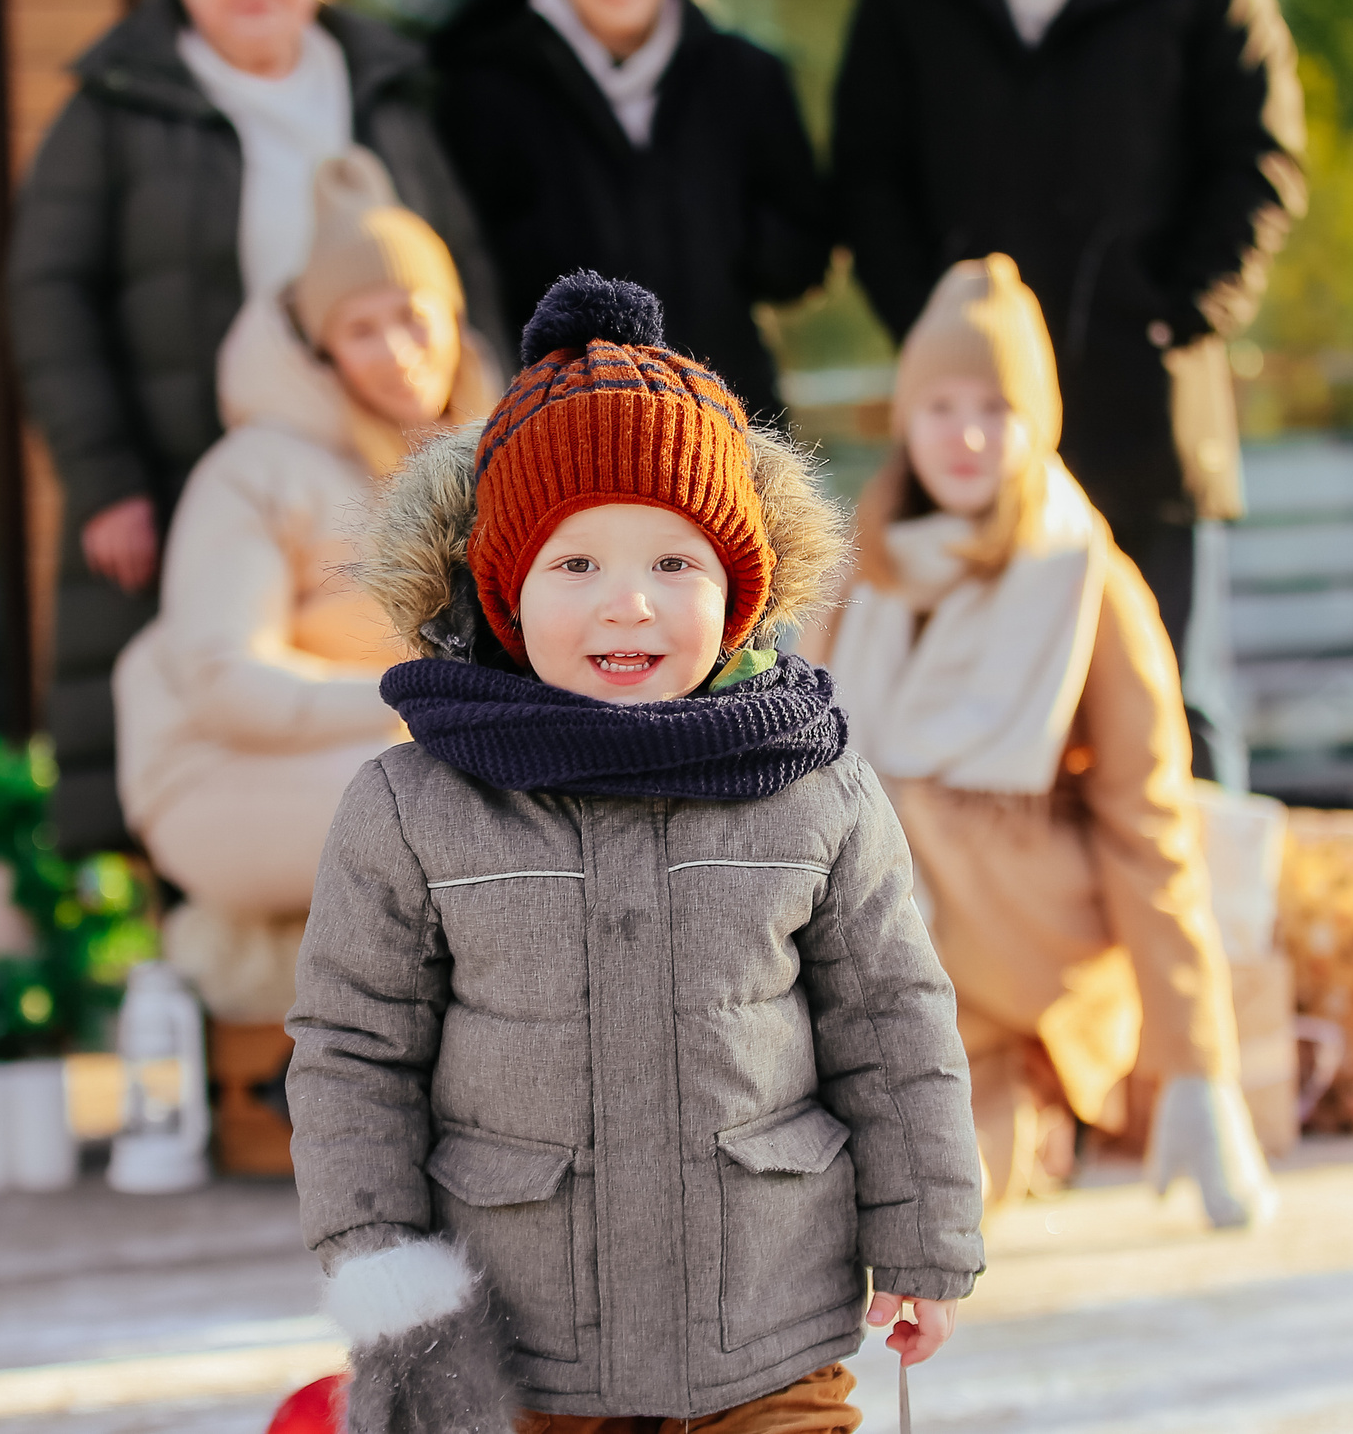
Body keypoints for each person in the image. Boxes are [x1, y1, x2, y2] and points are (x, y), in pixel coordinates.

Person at [287, 273, 984, 1432]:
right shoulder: (415, 806)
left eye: (673, 565)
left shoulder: (810, 788)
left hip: (767, 1337)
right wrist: (384, 1273)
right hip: (526, 1357)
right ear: (506, 590)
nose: (629, 608)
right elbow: (354, 1050)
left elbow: (894, 1022)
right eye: (577, 566)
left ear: (739, 585)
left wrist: (925, 1237)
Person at [9, 0, 499, 851]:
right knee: (189, 692)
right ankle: (168, 955)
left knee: (368, 669)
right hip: (185, 461)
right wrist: (103, 476)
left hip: (371, 452)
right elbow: (48, 290)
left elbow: (455, 271)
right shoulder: (119, 108)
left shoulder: (380, 90)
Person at [831, 0, 1303, 778]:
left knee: (1172, 706)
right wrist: (935, 337)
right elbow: (867, 172)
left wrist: (1175, 312)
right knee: (981, 718)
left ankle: (1196, 943)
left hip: (1144, 400)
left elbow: (1260, 160)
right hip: (972, 434)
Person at [807, 255, 1273, 1226]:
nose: (967, 435)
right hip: (880, 935)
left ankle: (1011, 1120)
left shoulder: (1082, 576)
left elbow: (1150, 825)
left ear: (1037, 422)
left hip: (1014, 947)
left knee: (945, 1165)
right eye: (940, 405)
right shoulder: (870, 565)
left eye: (996, 407)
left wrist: (1197, 1066)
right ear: (905, 417)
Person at [109, 152, 500, 1149]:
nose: (394, 351)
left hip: (391, 756)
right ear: (319, 350)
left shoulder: (492, 463)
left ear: (454, 320)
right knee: (460, 806)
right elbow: (224, 682)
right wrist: (427, 701)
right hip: (221, 772)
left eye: (413, 317)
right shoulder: (255, 473)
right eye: (358, 329)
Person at [432, 0, 830, 426]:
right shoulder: (489, 93)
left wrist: (730, 246)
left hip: (729, 412)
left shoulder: (744, 77)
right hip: (562, 428)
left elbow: (803, 247)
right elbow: (469, 271)